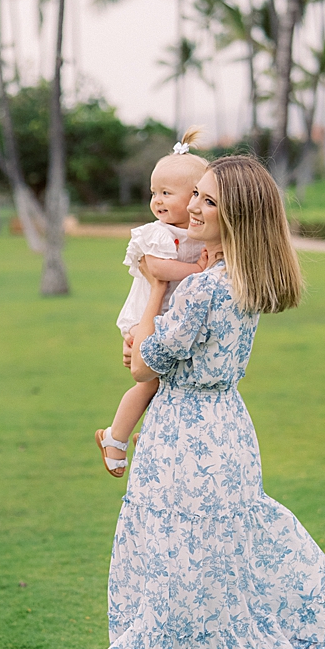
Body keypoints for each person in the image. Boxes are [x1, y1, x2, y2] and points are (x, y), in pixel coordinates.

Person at [71, 155, 325, 649]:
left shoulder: (199, 287)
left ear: (236, 217)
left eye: (209, 201)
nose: (193, 207)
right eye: (193, 194)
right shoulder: (243, 281)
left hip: (183, 435)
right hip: (225, 429)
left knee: (171, 568)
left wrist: (152, 289)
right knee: (227, 551)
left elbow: (147, 364)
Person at [95, 128, 210, 478]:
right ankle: (115, 436)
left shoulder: (194, 231)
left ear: (194, 196)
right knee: (149, 382)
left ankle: (149, 433)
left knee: (166, 381)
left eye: (166, 193)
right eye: (154, 193)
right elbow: (157, 269)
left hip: (169, 321)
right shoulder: (158, 232)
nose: (157, 201)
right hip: (145, 318)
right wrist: (197, 269)